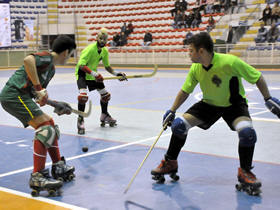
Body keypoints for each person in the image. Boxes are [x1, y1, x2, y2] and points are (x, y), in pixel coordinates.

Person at [151, 32, 280, 195]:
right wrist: (172, 110)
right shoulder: (196, 67)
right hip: (209, 104)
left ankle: (245, 171)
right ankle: (170, 162)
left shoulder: (230, 62)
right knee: (178, 126)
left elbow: (257, 76)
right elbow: (185, 91)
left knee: (247, 133)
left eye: (191, 50)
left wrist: (267, 98)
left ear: (202, 51)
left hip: (234, 105)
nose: (188, 53)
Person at [0, 35, 77, 196]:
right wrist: (39, 88)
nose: (70, 58)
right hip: (14, 94)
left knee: (49, 123)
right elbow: (28, 60)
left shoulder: (52, 70)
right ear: (66, 52)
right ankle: (38, 176)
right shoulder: (46, 58)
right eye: (71, 55)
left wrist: (56, 104)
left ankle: (58, 166)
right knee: (44, 128)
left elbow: (38, 95)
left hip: (22, 96)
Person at [75, 28, 127, 135]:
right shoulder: (89, 49)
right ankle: (80, 120)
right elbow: (81, 65)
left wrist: (117, 74)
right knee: (83, 97)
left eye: (105, 39)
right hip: (83, 74)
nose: (103, 41)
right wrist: (95, 74)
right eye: (101, 38)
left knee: (105, 96)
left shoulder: (104, 51)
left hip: (93, 75)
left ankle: (104, 115)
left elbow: (108, 67)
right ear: (97, 38)